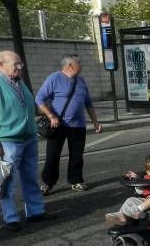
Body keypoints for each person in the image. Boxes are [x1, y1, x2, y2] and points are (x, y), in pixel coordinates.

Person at [0, 51, 51, 231]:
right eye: (15, 64)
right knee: (8, 182)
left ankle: (35, 212)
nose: (20, 67)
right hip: (8, 141)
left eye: (21, 64)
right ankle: (11, 218)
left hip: (28, 138)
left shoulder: (19, 82)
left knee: (30, 178)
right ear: (1, 65)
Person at [35, 55, 102, 194]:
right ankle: (48, 183)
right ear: (70, 65)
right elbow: (39, 98)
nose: (81, 65)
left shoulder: (81, 81)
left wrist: (95, 122)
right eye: (79, 62)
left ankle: (76, 181)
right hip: (58, 124)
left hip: (78, 125)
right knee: (52, 155)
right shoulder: (54, 78)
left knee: (77, 155)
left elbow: (88, 103)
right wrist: (51, 116)